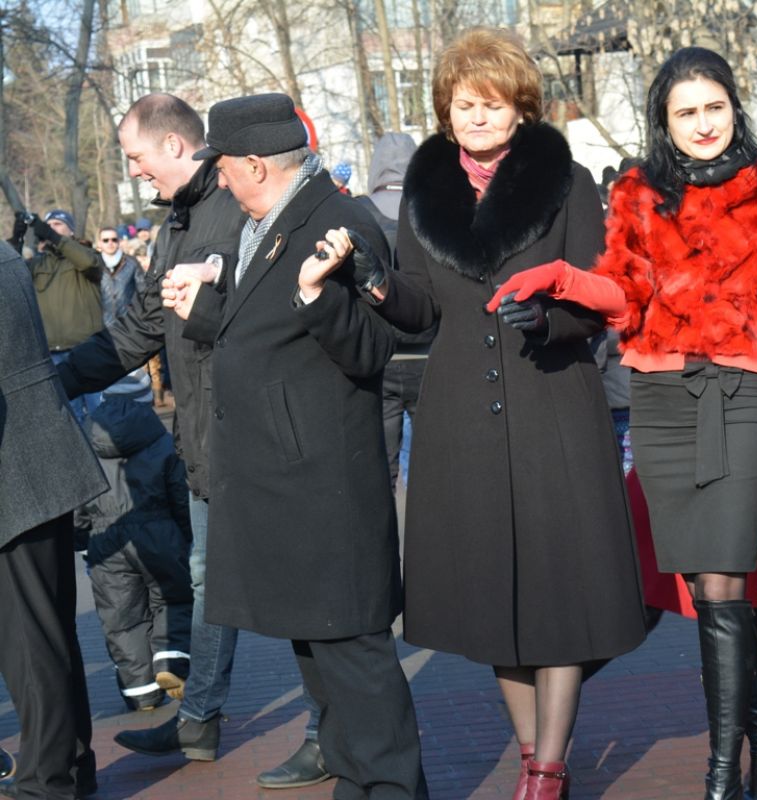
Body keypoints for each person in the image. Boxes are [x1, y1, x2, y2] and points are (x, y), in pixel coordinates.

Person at [497, 46, 757, 800]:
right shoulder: (639, 192)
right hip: (662, 402)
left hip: (741, 396)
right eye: (686, 113)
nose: (703, 124)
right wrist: (564, 279)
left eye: (714, 108)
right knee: (705, 586)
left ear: (734, 107)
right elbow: (625, 295)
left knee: (726, 576)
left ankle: (721, 776)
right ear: (663, 122)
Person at [349, 28, 647, 800]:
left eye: (491, 102)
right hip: (460, 418)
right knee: (493, 597)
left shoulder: (566, 181)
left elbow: (600, 294)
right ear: (444, 111)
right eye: (462, 104)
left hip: (555, 404)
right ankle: (531, 753)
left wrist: (550, 320)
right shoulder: (426, 189)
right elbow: (421, 307)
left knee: (560, 590)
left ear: (521, 106)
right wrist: (378, 284)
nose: (476, 115)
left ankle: (549, 767)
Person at [54, 92, 326, 788]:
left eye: (136, 156)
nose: (134, 170)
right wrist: (56, 380)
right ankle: (199, 720)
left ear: (174, 145)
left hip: (261, 435)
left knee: (299, 583)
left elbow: (267, 311)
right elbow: (143, 324)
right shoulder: (176, 220)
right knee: (208, 577)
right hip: (205, 440)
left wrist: (211, 288)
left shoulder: (239, 202)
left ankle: (328, 729)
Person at [161, 91, 427, 800]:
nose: (219, 179)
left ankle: (392, 787)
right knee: (318, 650)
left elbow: (370, 348)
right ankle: (353, 778)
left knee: (354, 652)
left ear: (256, 164)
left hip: (322, 482)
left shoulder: (338, 221)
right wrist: (206, 312)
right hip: (285, 478)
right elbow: (267, 331)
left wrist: (318, 297)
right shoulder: (267, 219)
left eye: (223, 166)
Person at [0, 240, 109, 800]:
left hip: (15, 472)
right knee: (49, 630)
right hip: (36, 460)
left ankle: (47, 782)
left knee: (30, 640)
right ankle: (69, 766)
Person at [76, 385, 193, 712]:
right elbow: (179, 492)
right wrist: (185, 534)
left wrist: (82, 540)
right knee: (171, 598)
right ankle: (169, 661)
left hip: (106, 539)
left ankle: (141, 693)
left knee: (122, 617)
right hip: (159, 530)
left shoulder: (87, 444)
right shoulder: (161, 441)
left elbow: (77, 505)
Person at [356, 132, 434, 491]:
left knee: (379, 472)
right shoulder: (433, 210)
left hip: (378, 358)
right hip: (429, 355)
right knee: (434, 470)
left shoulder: (357, 212)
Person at [10, 209, 105, 424]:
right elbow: (11, 276)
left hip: (87, 347)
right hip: (53, 353)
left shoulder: (87, 255)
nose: (51, 228)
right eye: (48, 225)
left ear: (71, 231)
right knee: (70, 418)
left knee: (100, 413)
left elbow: (89, 264)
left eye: (57, 224)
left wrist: (52, 236)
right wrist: (16, 239)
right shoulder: (38, 264)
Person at [95, 224, 141, 325]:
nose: (110, 243)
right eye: (105, 240)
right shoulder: (93, 264)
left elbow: (143, 291)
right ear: (99, 243)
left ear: (119, 241)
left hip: (128, 323)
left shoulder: (132, 263)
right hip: (102, 324)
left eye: (114, 239)